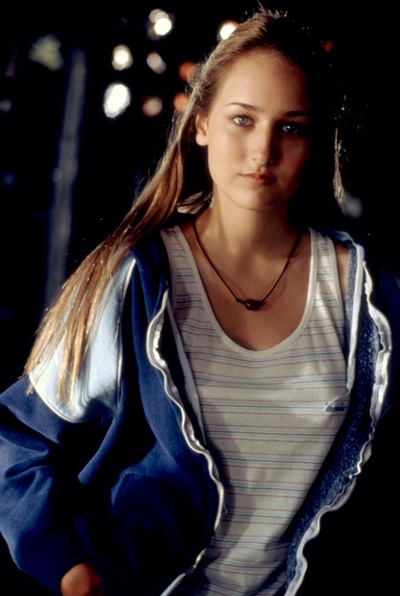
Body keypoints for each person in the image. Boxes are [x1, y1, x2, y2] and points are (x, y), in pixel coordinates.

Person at [0, 5, 399, 595]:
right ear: (201, 123)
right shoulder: (136, 277)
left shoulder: (368, 296)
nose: (263, 150)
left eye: (291, 127)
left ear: (316, 141)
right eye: (242, 120)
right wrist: (74, 574)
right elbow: (18, 439)